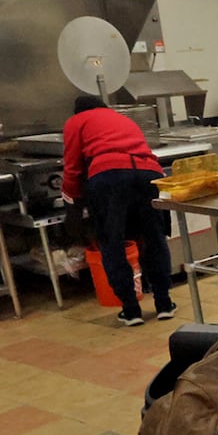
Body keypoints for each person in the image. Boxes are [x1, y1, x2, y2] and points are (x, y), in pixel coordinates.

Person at [61, 96, 177, 326]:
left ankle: (131, 310)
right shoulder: (120, 118)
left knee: (111, 241)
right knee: (153, 237)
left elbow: (72, 166)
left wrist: (72, 199)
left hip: (108, 177)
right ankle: (164, 303)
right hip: (148, 174)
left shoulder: (76, 121)